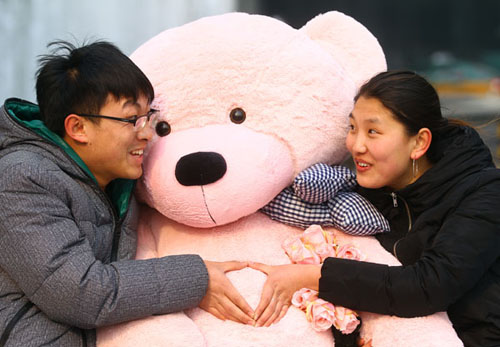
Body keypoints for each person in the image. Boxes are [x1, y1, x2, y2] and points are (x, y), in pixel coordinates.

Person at [0, 40, 254, 347]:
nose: (146, 132)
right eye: (131, 120)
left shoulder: (118, 180)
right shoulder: (22, 177)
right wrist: (197, 278)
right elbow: (80, 293)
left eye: (149, 116)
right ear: (78, 128)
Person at [249, 70, 500, 347]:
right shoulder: (362, 197)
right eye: (353, 128)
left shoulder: (485, 192)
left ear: (419, 143)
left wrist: (312, 276)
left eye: (373, 132)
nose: (356, 145)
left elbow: (431, 285)